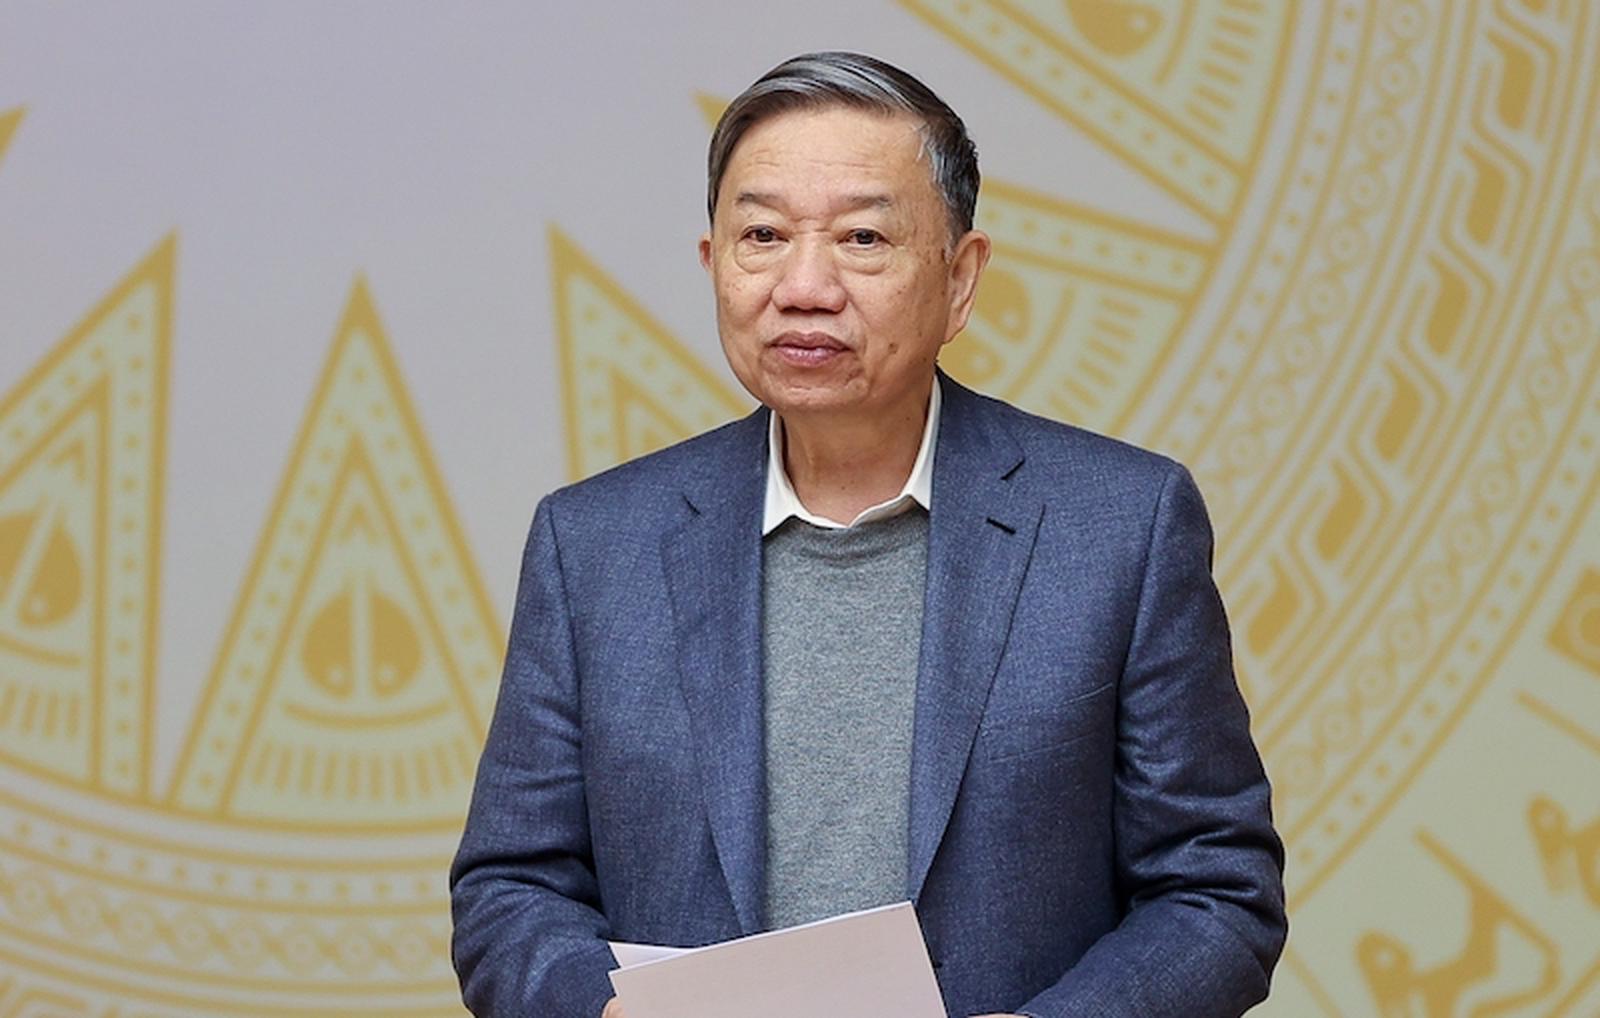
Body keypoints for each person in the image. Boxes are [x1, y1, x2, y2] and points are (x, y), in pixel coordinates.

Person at [450, 51, 1286, 1018]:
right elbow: (509, 891)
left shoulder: (1121, 527)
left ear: (961, 280)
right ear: (713, 265)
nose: (804, 286)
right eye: (763, 235)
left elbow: (1216, 890)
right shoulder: (594, 545)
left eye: (862, 237)